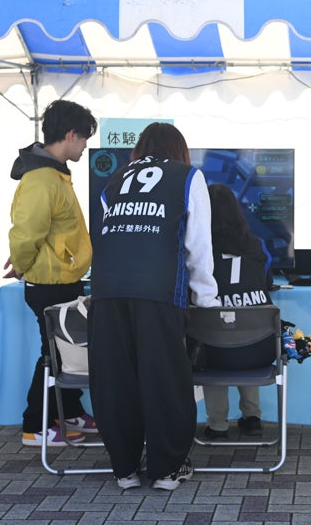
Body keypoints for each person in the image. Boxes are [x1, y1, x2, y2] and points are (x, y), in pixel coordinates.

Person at [88, 122, 220, 491]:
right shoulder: (188, 176)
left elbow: (103, 236)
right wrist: (206, 299)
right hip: (159, 289)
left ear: (140, 148)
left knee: (115, 379)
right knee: (164, 379)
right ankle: (166, 469)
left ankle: (124, 468)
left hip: (107, 289)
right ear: (179, 149)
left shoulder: (115, 179)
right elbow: (198, 245)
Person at [5, 99, 98, 447]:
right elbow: (26, 231)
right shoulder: (42, 179)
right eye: (84, 139)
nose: (85, 146)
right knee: (55, 355)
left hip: (62, 279)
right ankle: (36, 425)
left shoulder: (54, 174)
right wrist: (22, 263)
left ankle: (68, 412)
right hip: (48, 283)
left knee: (69, 351)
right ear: (70, 135)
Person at [201, 183, 276, 440]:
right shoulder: (258, 245)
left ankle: (217, 424)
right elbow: (267, 281)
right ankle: (252, 417)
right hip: (259, 352)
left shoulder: (197, 250)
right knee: (247, 330)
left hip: (213, 354)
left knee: (209, 337)